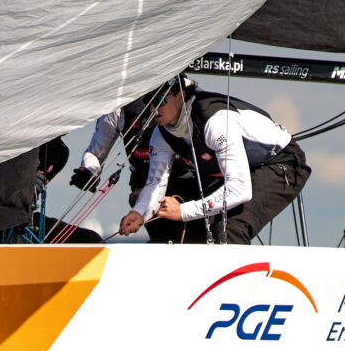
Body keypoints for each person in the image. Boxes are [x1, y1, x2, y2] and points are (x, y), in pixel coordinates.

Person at [108, 76, 311, 244]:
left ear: (180, 95)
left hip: (281, 163)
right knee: (197, 228)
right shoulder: (162, 135)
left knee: (229, 228)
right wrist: (140, 213)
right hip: (238, 171)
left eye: (160, 101)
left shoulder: (215, 123)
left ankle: (236, 281)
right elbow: (155, 184)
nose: (153, 108)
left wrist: (183, 211)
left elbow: (240, 189)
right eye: (148, 102)